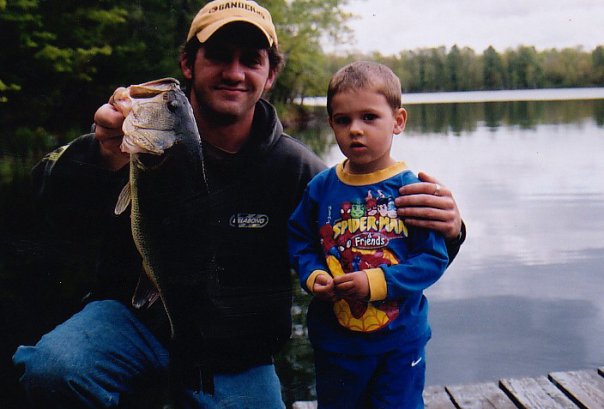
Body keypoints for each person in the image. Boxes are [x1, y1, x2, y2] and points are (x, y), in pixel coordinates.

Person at [13, 1, 465, 408]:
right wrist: (99, 155)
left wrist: (450, 229)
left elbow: (380, 243)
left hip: (236, 351)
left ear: (269, 76)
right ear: (188, 64)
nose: (234, 72)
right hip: (133, 322)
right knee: (55, 370)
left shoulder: (299, 171)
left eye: (250, 60)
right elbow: (44, 199)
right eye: (218, 56)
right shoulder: (138, 143)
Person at [288, 61, 451, 409]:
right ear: (331, 123)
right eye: (343, 120)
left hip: (399, 343)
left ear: (398, 121)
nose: (355, 130)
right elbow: (299, 239)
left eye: (369, 117)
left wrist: (375, 283)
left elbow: (433, 259)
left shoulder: (411, 190)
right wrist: (313, 274)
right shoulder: (321, 188)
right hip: (336, 345)